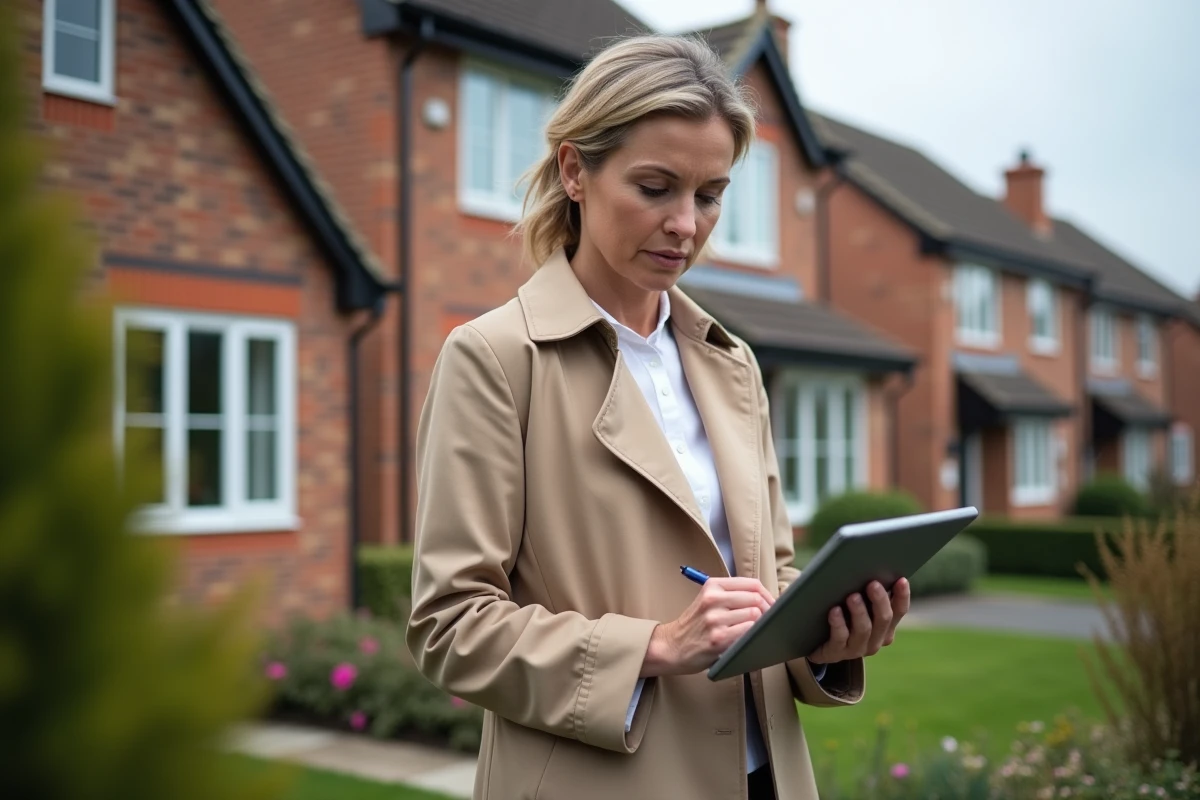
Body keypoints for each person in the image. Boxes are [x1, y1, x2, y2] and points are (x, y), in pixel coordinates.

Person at [406, 34, 911, 800]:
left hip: (766, 778)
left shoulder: (732, 363)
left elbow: (766, 582)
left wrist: (826, 635)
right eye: (655, 188)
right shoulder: (495, 359)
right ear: (575, 171)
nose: (686, 223)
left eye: (709, 195)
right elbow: (450, 626)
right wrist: (657, 645)